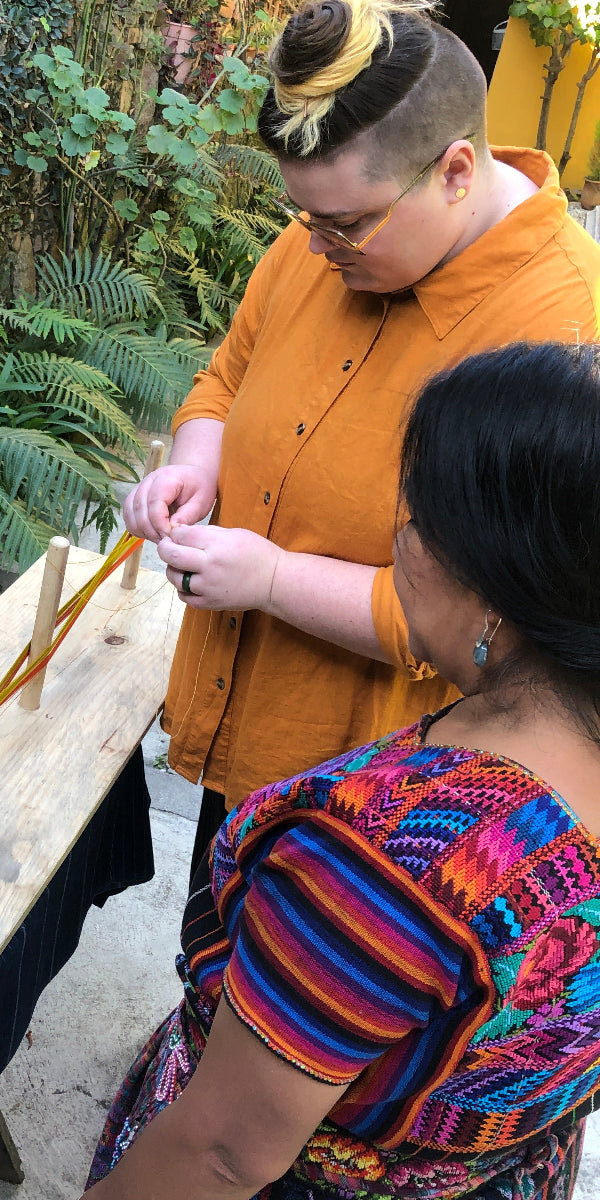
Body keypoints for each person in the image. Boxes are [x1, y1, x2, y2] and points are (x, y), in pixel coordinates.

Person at [86, 340, 600, 1200]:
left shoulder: (392, 865)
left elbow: (221, 1155)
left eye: (419, 521)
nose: (400, 541)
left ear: (498, 589)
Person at [121, 0, 600, 881]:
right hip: (256, 724)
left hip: (385, 802)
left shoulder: (562, 328)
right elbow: (225, 378)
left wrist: (266, 576)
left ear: (456, 170)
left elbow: (493, 616)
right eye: (306, 218)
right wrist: (194, 466)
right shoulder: (325, 235)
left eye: (345, 224)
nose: (320, 246)